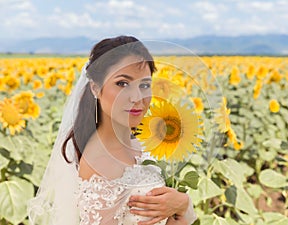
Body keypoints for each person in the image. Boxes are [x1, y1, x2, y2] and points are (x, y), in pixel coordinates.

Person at [28, 36, 197, 225]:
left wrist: (183, 204)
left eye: (144, 85)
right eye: (122, 84)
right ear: (95, 88)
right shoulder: (100, 162)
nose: (137, 97)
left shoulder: (140, 144)